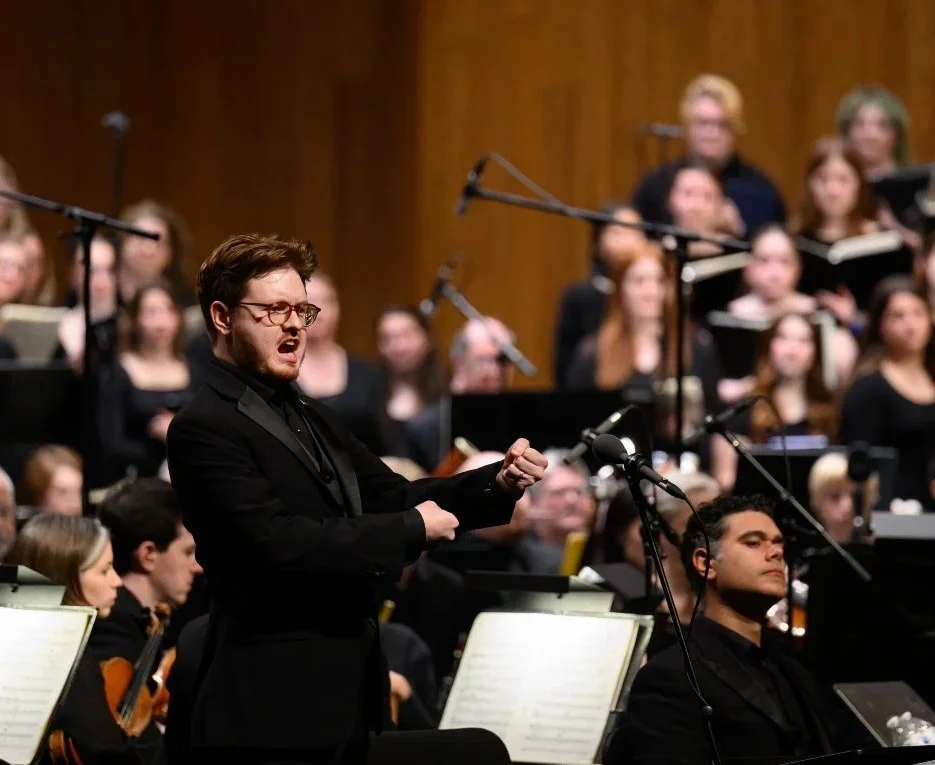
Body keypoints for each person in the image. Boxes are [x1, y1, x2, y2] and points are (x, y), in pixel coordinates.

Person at [165, 233, 546, 763]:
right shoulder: (203, 427)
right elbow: (275, 543)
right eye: (276, 310)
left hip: (342, 696)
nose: (296, 324)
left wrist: (493, 485)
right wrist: (411, 530)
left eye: (303, 309)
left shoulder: (309, 412)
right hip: (270, 710)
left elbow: (391, 493)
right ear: (224, 318)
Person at [614, 495, 835, 765]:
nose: (775, 553)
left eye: (778, 543)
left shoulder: (795, 670)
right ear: (705, 563)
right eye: (753, 542)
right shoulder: (670, 677)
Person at [5, 514, 139, 764]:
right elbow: (105, 752)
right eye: (105, 570)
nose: (117, 581)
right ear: (65, 577)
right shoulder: (66, 653)